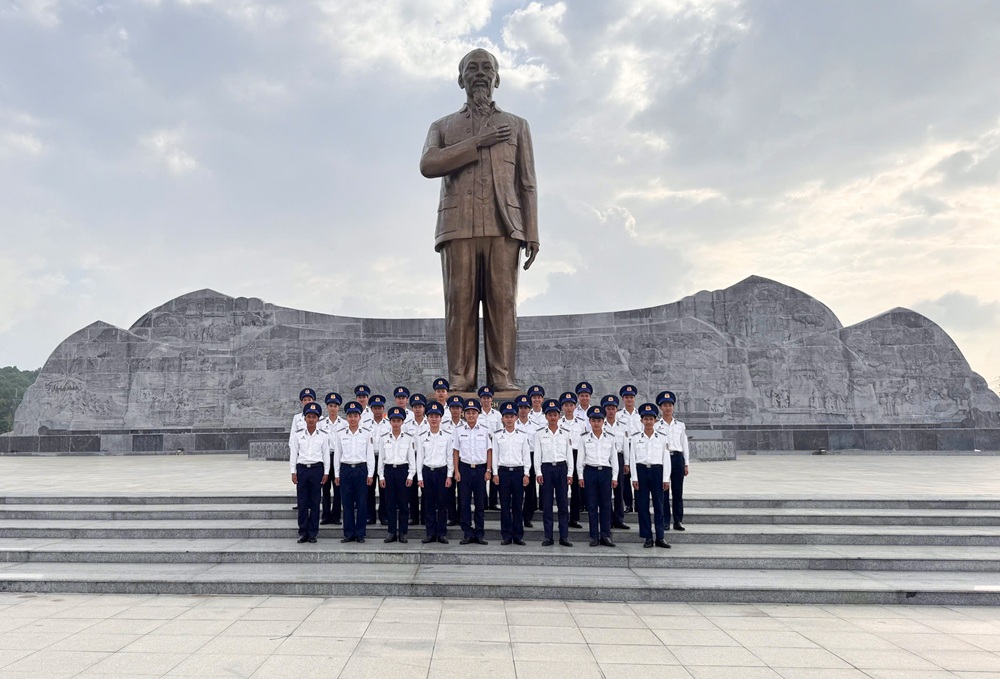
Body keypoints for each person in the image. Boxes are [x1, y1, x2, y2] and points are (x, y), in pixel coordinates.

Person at [420, 48, 539, 391]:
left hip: (504, 227)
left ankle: (502, 378)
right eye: (471, 68)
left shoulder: (517, 125)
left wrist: (532, 232)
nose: (480, 73)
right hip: (458, 228)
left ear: (497, 78)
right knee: (460, 304)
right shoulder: (443, 126)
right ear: (461, 79)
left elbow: (527, 183)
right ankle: (461, 378)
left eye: (487, 68)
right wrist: (478, 142)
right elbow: (429, 165)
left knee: (503, 306)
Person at [629, 403, 671, 548]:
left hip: (657, 472)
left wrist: (666, 478)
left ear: (655, 421)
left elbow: (666, 458)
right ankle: (647, 536)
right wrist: (634, 477)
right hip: (641, 472)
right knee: (642, 506)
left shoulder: (662, 437)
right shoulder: (635, 438)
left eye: (651, 419)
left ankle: (660, 537)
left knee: (659, 505)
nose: (648, 422)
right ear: (641, 421)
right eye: (645, 419)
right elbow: (633, 458)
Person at [333, 401, 375, 543]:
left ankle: (360, 533)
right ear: (347, 418)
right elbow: (337, 455)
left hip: (361, 470)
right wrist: (337, 474)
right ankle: (349, 533)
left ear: (359, 417)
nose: (352, 418)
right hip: (346, 470)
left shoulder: (366, 434)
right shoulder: (340, 434)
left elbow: (370, 455)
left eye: (355, 415)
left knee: (362, 503)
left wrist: (370, 474)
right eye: (350, 416)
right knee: (347, 503)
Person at [452, 397, 492, 545]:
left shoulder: (485, 430)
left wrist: (488, 470)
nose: (471, 415)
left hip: (480, 470)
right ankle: (467, 533)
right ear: (464, 414)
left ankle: (479, 533)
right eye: (468, 412)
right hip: (465, 469)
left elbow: (489, 451)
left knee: (480, 504)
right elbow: (455, 451)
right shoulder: (458, 431)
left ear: (478, 414)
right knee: (465, 504)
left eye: (474, 413)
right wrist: (456, 471)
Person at [577, 405, 619, 547]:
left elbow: (614, 459)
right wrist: (581, 476)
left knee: (606, 505)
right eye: (594, 420)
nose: (596, 423)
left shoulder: (611, 438)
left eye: (599, 420)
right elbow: (580, 459)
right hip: (590, 472)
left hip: (605, 472)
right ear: (589, 421)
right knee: (592, 505)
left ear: (603, 421)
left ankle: (605, 535)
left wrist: (614, 477)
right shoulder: (584, 438)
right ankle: (594, 535)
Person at [534, 398, 573, 546]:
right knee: (547, 504)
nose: (552, 417)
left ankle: (564, 537)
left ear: (559, 416)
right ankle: (548, 536)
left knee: (563, 505)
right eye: (549, 414)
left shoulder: (565, 433)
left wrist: (570, 473)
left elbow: (569, 455)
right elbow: (537, 455)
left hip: (561, 469)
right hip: (547, 469)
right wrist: (538, 472)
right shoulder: (539, 434)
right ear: (546, 416)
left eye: (555, 414)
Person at [289, 402, 330, 544]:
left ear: (318, 419)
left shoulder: (323, 436)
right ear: (305, 418)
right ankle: (303, 532)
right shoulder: (298, 435)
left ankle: (313, 533)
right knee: (302, 502)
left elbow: (326, 455)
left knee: (314, 502)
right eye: (309, 416)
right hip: (302, 469)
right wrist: (293, 472)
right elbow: (293, 454)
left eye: (314, 417)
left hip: (317, 469)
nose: (311, 419)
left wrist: (326, 473)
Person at [493, 401, 531, 545]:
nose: (509, 419)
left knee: (517, 505)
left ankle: (518, 535)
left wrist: (526, 474)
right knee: (504, 505)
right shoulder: (497, 436)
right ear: (502, 418)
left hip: (518, 472)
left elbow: (526, 456)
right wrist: (495, 473)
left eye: (512, 416)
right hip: (503, 472)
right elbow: (495, 455)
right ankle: (506, 535)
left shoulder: (522, 435)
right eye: (506, 416)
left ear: (516, 418)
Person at [378, 407, 417, 544]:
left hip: (403, 471)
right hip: (389, 472)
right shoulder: (384, 438)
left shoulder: (408, 438)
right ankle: (391, 532)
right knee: (390, 504)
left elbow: (412, 459)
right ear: (390, 422)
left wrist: (410, 476)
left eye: (398, 420)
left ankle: (403, 532)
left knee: (403, 505)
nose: (395, 423)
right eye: (393, 420)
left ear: (402, 422)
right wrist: (381, 476)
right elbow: (381, 459)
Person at [417, 402, 453, 544]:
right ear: (427, 418)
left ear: (440, 418)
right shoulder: (422, 436)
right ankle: (430, 533)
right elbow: (419, 457)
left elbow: (450, 457)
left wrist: (449, 475)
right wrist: (420, 477)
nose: (434, 419)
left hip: (442, 472)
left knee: (442, 504)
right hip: (428, 472)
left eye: (436, 416)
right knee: (429, 504)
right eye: (431, 416)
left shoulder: (447, 436)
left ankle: (442, 533)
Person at [655, 390, 690, 531]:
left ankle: (678, 520)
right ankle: (665, 520)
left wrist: (686, 463)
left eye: (670, 405)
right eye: (665, 405)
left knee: (677, 491)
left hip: (677, 458)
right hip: (663, 459)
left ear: (673, 407)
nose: (667, 408)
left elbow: (684, 444)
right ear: (660, 407)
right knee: (663, 491)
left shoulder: (680, 425)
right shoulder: (656, 425)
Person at [602, 394, 631, 531]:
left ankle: (619, 519)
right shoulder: (600, 425)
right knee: (606, 491)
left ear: (617, 409)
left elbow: (625, 445)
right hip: (605, 458)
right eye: (608, 408)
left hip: (618, 458)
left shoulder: (622, 426)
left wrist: (626, 463)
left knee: (619, 490)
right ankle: (607, 518)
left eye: (613, 408)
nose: (610, 411)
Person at [559, 391, 587, 529]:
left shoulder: (581, 423)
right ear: (562, 407)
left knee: (576, 488)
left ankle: (574, 518)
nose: (569, 408)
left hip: (577, 455)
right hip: (562, 456)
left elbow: (584, 441)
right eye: (566, 405)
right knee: (562, 488)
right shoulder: (558, 422)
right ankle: (563, 517)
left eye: (571, 405)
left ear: (575, 407)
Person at [320, 392, 345, 525]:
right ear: (327, 407)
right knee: (325, 487)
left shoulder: (344, 423)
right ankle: (325, 515)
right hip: (325, 457)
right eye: (331, 405)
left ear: (338, 407)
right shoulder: (321, 423)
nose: (333, 408)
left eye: (335, 406)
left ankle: (336, 516)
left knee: (338, 487)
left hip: (339, 457)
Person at [288, 388, 316, 511]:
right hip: (301, 455)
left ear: (313, 401)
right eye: (304, 400)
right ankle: (301, 503)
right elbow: (293, 436)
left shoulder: (318, 417)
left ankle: (312, 503)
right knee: (301, 483)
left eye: (309, 399)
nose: (307, 402)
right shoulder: (297, 418)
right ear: (301, 402)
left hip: (314, 455)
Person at [515, 394, 539, 527]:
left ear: (529, 409)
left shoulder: (535, 427)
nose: (523, 410)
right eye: (521, 407)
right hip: (517, 458)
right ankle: (518, 516)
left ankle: (527, 517)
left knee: (530, 491)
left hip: (531, 457)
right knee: (518, 491)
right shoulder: (512, 424)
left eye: (525, 407)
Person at [406, 393, 430, 525]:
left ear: (424, 408)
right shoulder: (407, 424)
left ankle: (426, 516)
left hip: (426, 457)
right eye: (415, 407)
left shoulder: (430, 422)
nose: (417, 409)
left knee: (426, 489)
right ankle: (413, 516)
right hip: (412, 457)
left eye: (420, 406)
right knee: (412, 490)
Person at [443, 394, 466, 526]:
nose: (455, 410)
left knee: (463, 492)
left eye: (458, 407)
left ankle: (461, 516)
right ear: (449, 409)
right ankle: (452, 516)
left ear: (461, 409)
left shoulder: (465, 425)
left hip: (462, 462)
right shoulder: (444, 425)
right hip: (447, 461)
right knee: (449, 491)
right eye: (453, 407)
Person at [479, 386, 503, 510]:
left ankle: (493, 502)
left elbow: (500, 431)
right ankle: (483, 501)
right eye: (484, 398)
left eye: (488, 398)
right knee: (482, 474)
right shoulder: (477, 414)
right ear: (480, 400)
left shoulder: (497, 415)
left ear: (491, 399)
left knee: (494, 473)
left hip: (494, 447)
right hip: (481, 448)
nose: (486, 400)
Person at [618, 384, 640, 512]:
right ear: (623, 399)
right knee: (625, 477)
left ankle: (638, 504)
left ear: (634, 399)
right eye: (627, 397)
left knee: (638, 476)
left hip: (638, 447)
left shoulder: (640, 415)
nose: (629, 399)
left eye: (631, 397)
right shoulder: (618, 415)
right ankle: (627, 503)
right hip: (625, 447)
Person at [367, 395, 390, 525]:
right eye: (375, 408)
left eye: (379, 408)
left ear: (383, 408)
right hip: (370, 458)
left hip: (384, 459)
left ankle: (384, 515)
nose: (377, 410)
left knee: (384, 489)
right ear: (371, 409)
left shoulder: (389, 424)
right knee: (369, 489)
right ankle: (370, 516)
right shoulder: (365, 424)